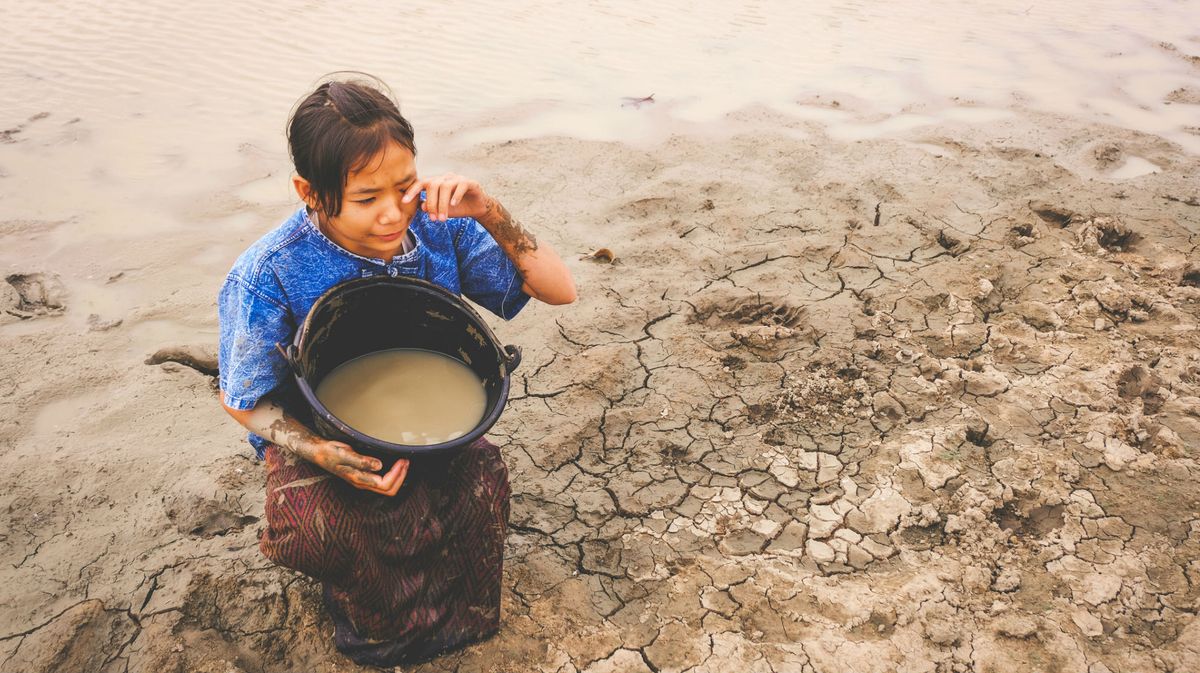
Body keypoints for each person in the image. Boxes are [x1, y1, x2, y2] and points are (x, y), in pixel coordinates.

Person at [216, 74, 576, 666]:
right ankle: (378, 631)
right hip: (319, 424)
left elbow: (559, 290)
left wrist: (488, 210)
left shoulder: (443, 227)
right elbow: (242, 397)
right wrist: (320, 451)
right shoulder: (267, 272)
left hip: (429, 415)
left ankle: (461, 620)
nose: (391, 214)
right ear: (309, 190)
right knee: (327, 526)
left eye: (405, 187)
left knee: (479, 486)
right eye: (365, 199)